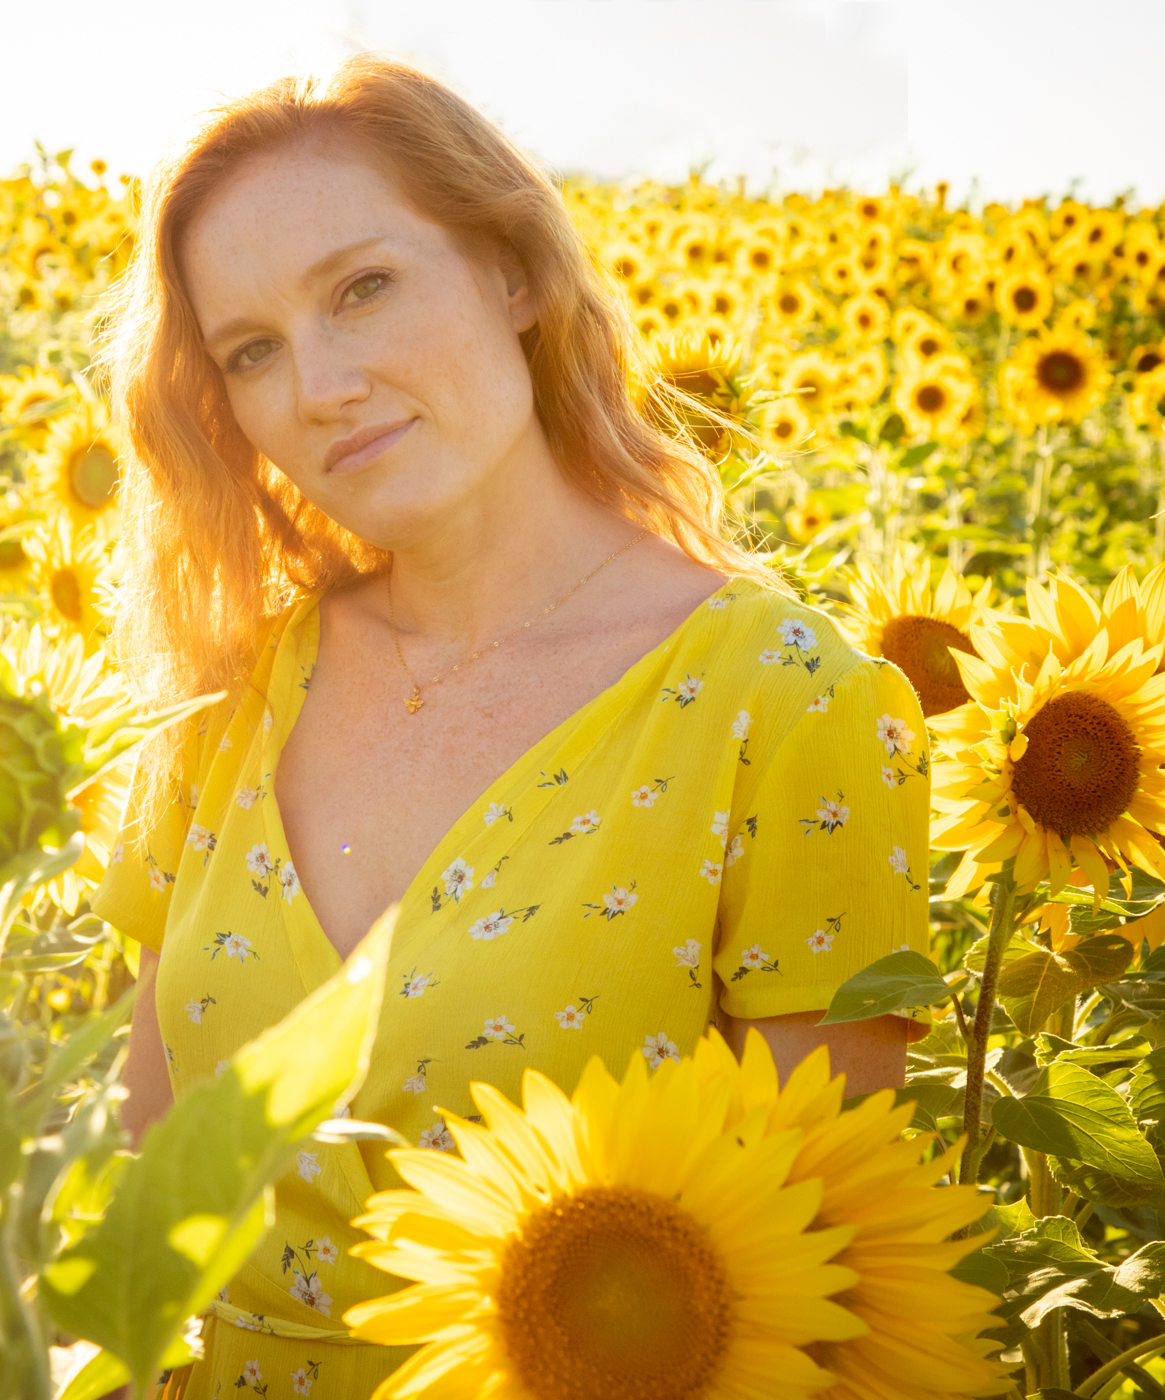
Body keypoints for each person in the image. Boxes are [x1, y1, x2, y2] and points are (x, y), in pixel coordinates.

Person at [90, 53, 930, 1398]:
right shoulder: (232, 688)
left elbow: (822, 1279)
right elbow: (142, 1170)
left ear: (512, 271)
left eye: (362, 289)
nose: (318, 386)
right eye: (252, 351)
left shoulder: (780, 700)